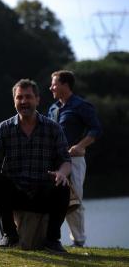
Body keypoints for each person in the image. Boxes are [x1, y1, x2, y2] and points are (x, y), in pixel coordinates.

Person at [0, 79, 72, 253]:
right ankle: (9, 234)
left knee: (62, 185)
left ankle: (52, 240)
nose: (24, 101)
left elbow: (66, 161)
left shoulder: (53, 128)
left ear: (37, 99)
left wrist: (61, 173)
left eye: (28, 97)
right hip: (17, 193)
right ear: (14, 101)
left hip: (43, 192)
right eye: (19, 97)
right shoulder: (3, 129)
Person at [48, 70, 102, 247]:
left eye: (54, 84)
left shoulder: (81, 105)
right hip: (54, 161)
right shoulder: (53, 108)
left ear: (65, 84)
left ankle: (78, 241)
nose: (51, 87)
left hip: (75, 160)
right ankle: (48, 238)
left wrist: (80, 146)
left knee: (75, 199)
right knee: (51, 199)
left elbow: (96, 129)